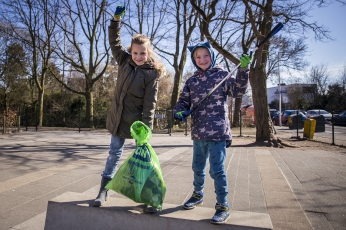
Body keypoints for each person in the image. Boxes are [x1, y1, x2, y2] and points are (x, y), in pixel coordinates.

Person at [93, 5, 165, 213]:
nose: (138, 56)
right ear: (130, 51)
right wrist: (116, 21)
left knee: (143, 158)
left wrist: (146, 128)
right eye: (135, 52)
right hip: (118, 119)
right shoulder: (124, 61)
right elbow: (114, 42)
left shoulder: (152, 74)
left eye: (142, 53)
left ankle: (149, 195)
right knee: (113, 154)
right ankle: (103, 190)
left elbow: (150, 103)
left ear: (148, 52)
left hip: (137, 124)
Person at [173, 41, 252, 224]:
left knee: (217, 171)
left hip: (217, 134)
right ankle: (197, 194)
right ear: (194, 60)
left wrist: (244, 69)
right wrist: (178, 112)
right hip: (198, 134)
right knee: (197, 168)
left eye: (206, 55)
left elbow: (238, 91)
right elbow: (183, 101)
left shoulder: (223, 76)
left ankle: (222, 205)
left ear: (212, 56)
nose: (202, 59)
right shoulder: (192, 81)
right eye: (198, 57)